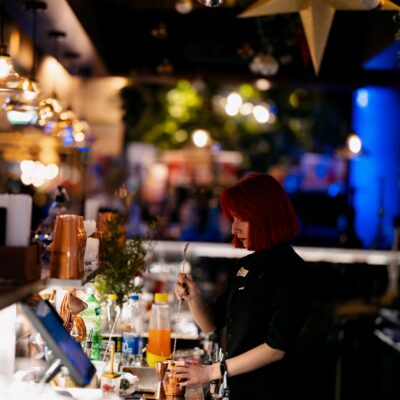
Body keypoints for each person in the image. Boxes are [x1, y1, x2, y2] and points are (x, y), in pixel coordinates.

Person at [174, 173, 312, 399]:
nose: (233, 229)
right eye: (233, 218)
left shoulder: (292, 271)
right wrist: (193, 297)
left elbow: (276, 348)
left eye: (241, 219)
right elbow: (210, 323)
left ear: (264, 217)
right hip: (236, 389)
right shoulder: (246, 264)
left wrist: (211, 372)